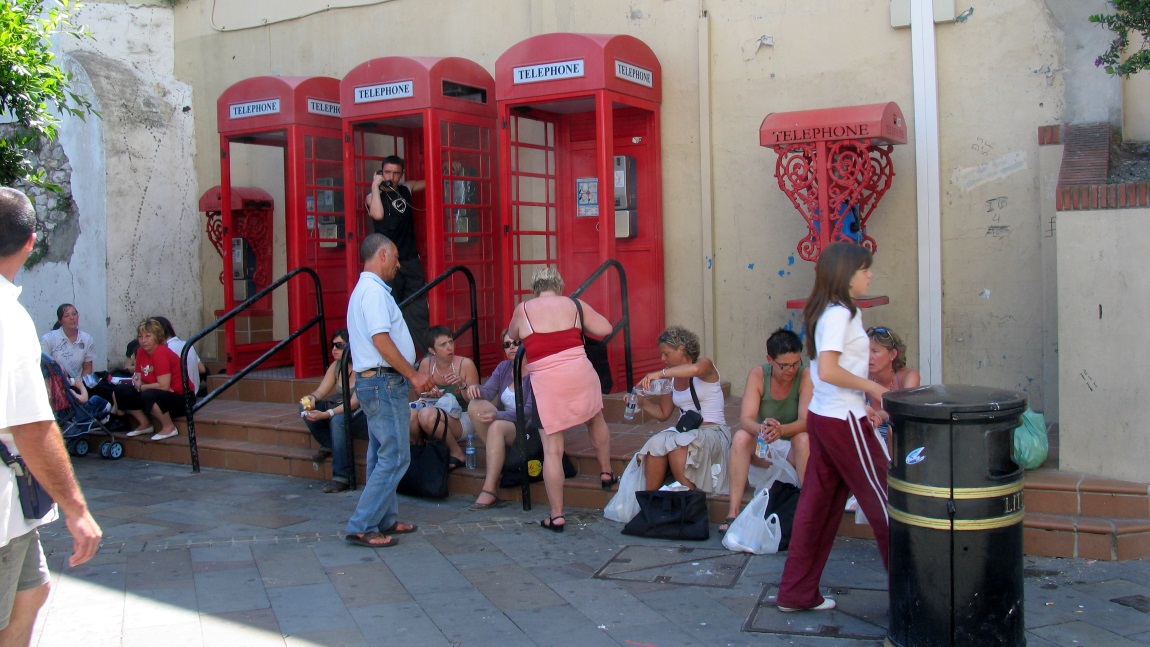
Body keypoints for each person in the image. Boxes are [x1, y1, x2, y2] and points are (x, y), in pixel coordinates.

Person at [0, 187, 102, 644]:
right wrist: (76, 509)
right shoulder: (10, 317)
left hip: (15, 508)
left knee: (33, 591)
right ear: (30, 242)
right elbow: (32, 426)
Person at [776, 242, 891, 613]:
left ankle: (796, 593)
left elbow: (821, 373)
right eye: (863, 269)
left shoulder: (829, 311)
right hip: (843, 420)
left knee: (818, 508)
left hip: (827, 418)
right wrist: (874, 389)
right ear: (846, 275)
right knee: (887, 503)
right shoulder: (840, 313)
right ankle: (914, 592)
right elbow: (827, 370)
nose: (869, 274)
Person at [344, 234, 435, 548]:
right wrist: (412, 375)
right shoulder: (373, 292)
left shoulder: (367, 291)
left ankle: (384, 518)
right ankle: (363, 524)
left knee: (379, 455)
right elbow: (381, 339)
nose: (399, 264)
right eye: (395, 257)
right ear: (381, 255)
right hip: (384, 382)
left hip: (375, 382)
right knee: (395, 457)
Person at [507, 266, 614, 532]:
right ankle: (606, 471)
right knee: (595, 419)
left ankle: (556, 515)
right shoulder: (574, 304)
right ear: (560, 284)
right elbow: (605, 328)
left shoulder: (523, 309)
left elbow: (512, 334)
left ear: (535, 288)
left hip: (548, 383)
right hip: (580, 372)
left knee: (553, 450)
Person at [720, 328, 812, 533]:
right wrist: (762, 428)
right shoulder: (758, 374)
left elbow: (806, 421)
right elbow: (746, 419)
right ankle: (732, 512)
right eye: (784, 365)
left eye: (795, 363)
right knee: (742, 436)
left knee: (804, 438)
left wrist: (782, 429)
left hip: (792, 448)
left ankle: (808, 507)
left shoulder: (805, 375)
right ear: (770, 360)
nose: (791, 370)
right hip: (766, 443)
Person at [630, 326, 731, 494]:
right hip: (686, 431)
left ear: (681, 349)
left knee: (677, 446)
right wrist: (643, 403)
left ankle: (690, 502)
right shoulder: (670, 378)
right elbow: (663, 413)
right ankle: (650, 501)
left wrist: (661, 373)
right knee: (655, 445)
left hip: (713, 431)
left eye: (666, 354)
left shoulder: (704, 364)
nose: (663, 359)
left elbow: (696, 370)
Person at [464, 330, 538, 511]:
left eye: (516, 343)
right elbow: (487, 393)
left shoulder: (536, 370)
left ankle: (490, 489)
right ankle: (498, 458)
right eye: (506, 344)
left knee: (496, 426)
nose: (511, 347)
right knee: (475, 405)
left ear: (525, 344)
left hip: (528, 429)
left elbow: (529, 411)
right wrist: (471, 388)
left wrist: (499, 415)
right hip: (505, 424)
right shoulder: (504, 368)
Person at [366, 155, 430, 351]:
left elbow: (428, 182)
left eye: (395, 173)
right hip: (387, 262)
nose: (391, 177)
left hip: (410, 258)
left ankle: (424, 355)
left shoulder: (405, 189)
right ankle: (395, 355)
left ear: (401, 175)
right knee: (391, 308)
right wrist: (375, 187)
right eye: (387, 172)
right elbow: (377, 214)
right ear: (380, 173)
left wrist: (444, 166)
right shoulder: (372, 198)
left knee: (417, 308)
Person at [301, 329, 368, 494]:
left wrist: (327, 414)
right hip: (340, 407)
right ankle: (330, 444)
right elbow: (321, 392)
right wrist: (310, 398)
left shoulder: (364, 368)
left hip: (361, 413)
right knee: (305, 408)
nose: (334, 349)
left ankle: (342, 477)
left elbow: (353, 404)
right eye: (332, 345)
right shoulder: (336, 366)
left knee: (338, 420)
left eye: (339, 345)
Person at [408, 325, 479, 469]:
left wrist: (462, 384)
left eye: (451, 342)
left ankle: (457, 452)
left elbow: (474, 402)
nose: (449, 347)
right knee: (410, 414)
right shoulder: (426, 364)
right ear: (431, 350)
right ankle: (420, 449)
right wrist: (428, 393)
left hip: (463, 418)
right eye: (443, 344)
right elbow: (418, 393)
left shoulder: (465, 364)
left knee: (426, 415)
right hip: (436, 415)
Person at [117, 318, 192, 441]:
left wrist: (142, 386)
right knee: (122, 390)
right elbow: (137, 376)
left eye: (148, 336)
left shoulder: (160, 353)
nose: (143, 340)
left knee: (148, 394)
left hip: (181, 396)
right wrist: (138, 382)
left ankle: (169, 427)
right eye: (140, 337)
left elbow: (164, 386)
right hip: (157, 391)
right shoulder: (140, 351)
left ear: (157, 337)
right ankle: (145, 424)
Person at [866, 325, 921, 440]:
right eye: (865, 351)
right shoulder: (863, 377)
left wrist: (876, 415)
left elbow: (904, 411)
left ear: (893, 355)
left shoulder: (908, 376)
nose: (868, 357)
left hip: (898, 440)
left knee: (893, 428)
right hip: (869, 438)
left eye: (875, 351)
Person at [152, 316, 208, 398]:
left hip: (179, 394)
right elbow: (202, 369)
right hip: (194, 392)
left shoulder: (165, 350)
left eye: (148, 335)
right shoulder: (187, 344)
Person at [39, 303, 96, 383]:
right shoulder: (48, 339)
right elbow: (43, 366)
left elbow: (87, 368)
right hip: (55, 384)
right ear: (60, 321)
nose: (72, 318)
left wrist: (81, 386)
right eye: (67, 316)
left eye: (74, 314)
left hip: (78, 385)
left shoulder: (87, 339)